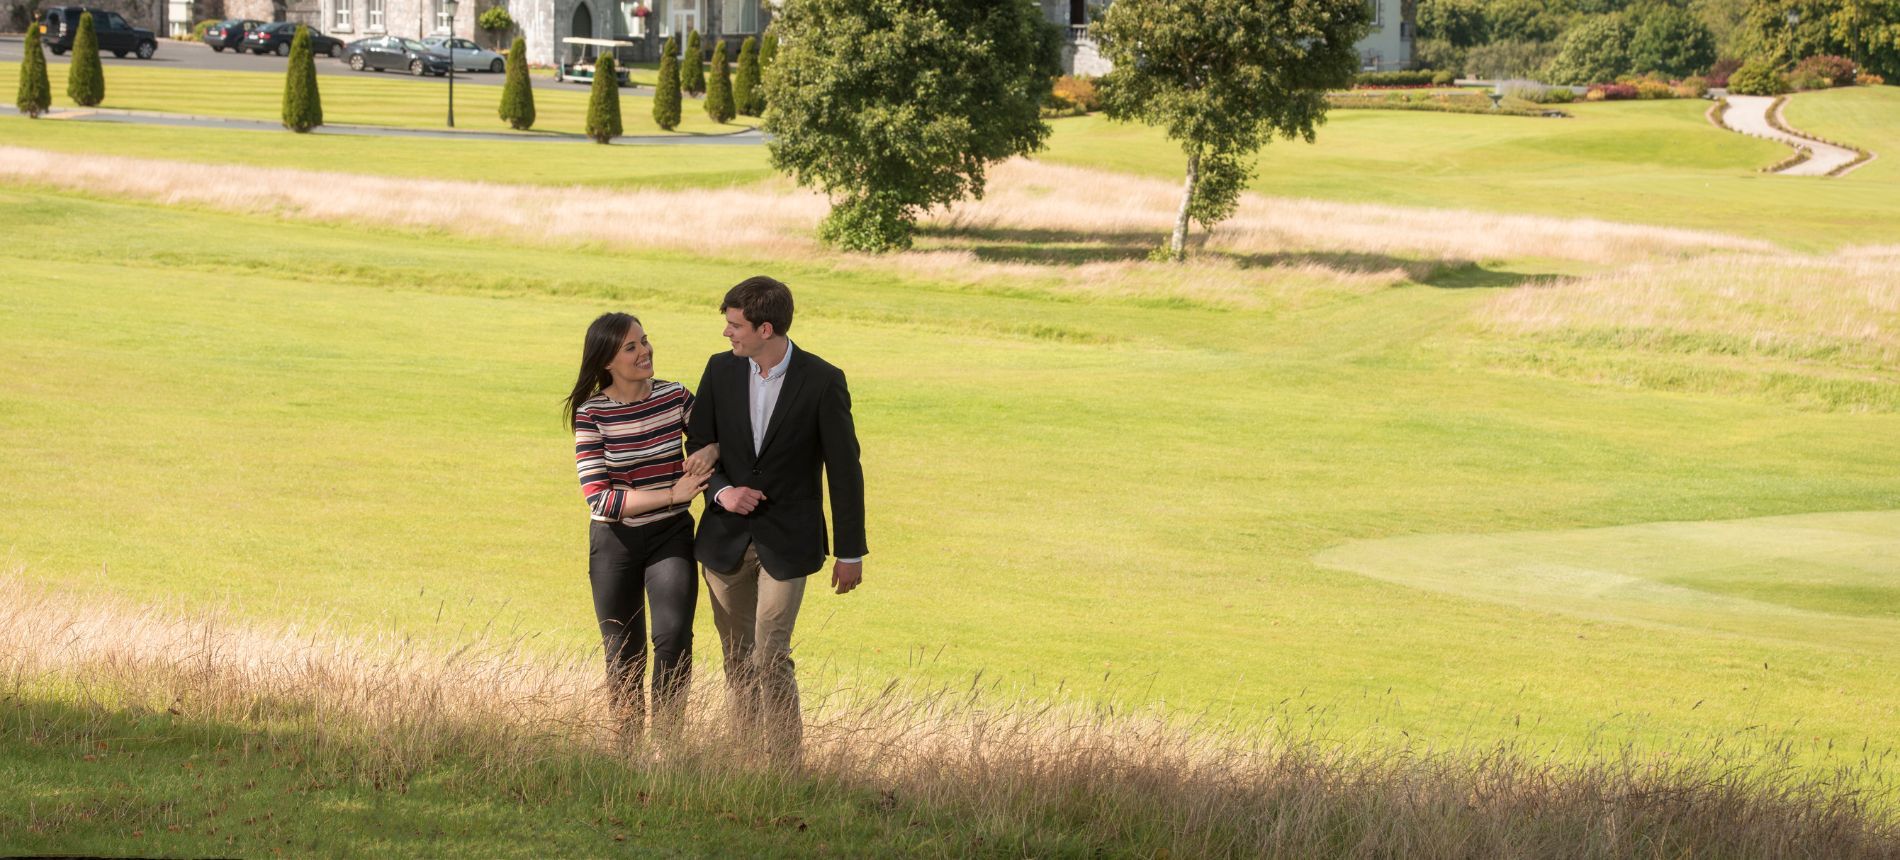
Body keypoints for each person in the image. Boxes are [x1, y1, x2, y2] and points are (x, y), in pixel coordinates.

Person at [686, 275, 867, 763]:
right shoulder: (720, 371)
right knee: (736, 656)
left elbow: (845, 471)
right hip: (725, 538)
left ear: (766, 329)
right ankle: (747, 758)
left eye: (735, 325)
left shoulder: (823, 379)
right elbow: (700, 442)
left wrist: (851, 552)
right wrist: (723, 492)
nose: (728, 334)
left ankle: (785, 765)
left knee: (770, 654)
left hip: (789, 541)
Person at [566, 311, 717, 737]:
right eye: (630, 347)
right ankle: (628, 746)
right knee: (622, 648)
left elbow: (717, 434)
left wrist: (712, 450)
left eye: (645, 341)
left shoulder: (675, 396)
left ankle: (666, 744)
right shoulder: (591, 414)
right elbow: (601, 497)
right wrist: (673, 494)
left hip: (670, 535)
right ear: (607, 361)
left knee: (673, 639)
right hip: (614, 543)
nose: (644, 351)